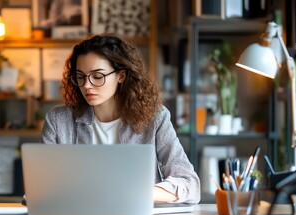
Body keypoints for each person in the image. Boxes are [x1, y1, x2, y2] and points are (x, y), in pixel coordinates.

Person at [41, 33, 200, 204]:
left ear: (121, 76)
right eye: (80, 77)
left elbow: (190, 184)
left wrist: (140, 194)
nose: (87, 85)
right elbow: (42, 187)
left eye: (97, 76)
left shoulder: (155, 118)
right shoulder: (58, 120)